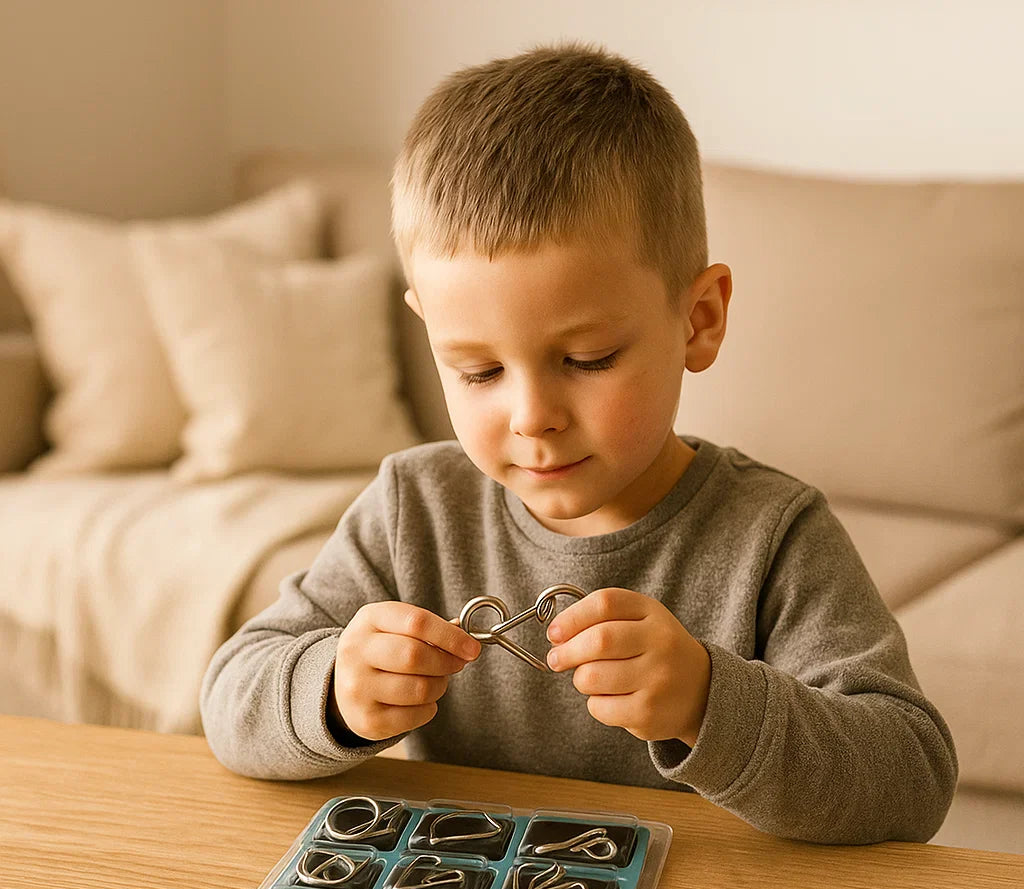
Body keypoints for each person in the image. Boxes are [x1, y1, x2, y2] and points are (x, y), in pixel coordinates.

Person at [201, 41, 957, 844]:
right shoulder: (412, 508)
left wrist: (711, 703)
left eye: (587, 359)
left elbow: (910, 777)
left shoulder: (774, 535)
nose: (533, 416)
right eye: (479, 370)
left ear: (698, 320)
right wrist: (334, 692)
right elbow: (230, 698)